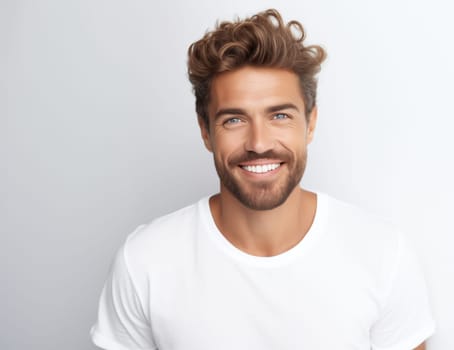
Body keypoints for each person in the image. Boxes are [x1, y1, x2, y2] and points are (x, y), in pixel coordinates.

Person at [91, 8, 435, 350]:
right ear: (205, 131)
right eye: (234, 120)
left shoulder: (383, 254)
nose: (259, 143)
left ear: (310, 123)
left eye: (280, 115)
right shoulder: (145, 262)